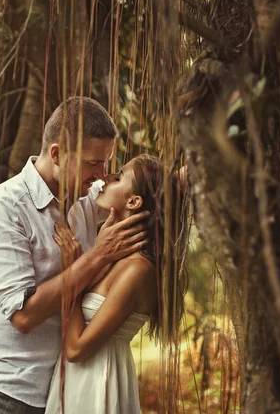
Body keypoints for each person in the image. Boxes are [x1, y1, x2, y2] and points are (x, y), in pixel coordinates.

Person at [0, 97, 150, 414]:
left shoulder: (87, 201)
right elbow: (24, 315)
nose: (102, 175)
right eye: (93, 163)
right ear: (57, 153)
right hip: (5, 396)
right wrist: (98, 256)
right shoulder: (2, 209)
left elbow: (153, 187)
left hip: (60, 398)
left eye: (106, 163)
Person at [44, 154, 188, 414]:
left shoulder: (138, 270)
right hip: (77, 378)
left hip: (99, 380)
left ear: (133, 201)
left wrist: (73, 270)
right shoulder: (115, 254)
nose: (105, 178)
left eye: (119, 176)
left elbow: (76, 348)